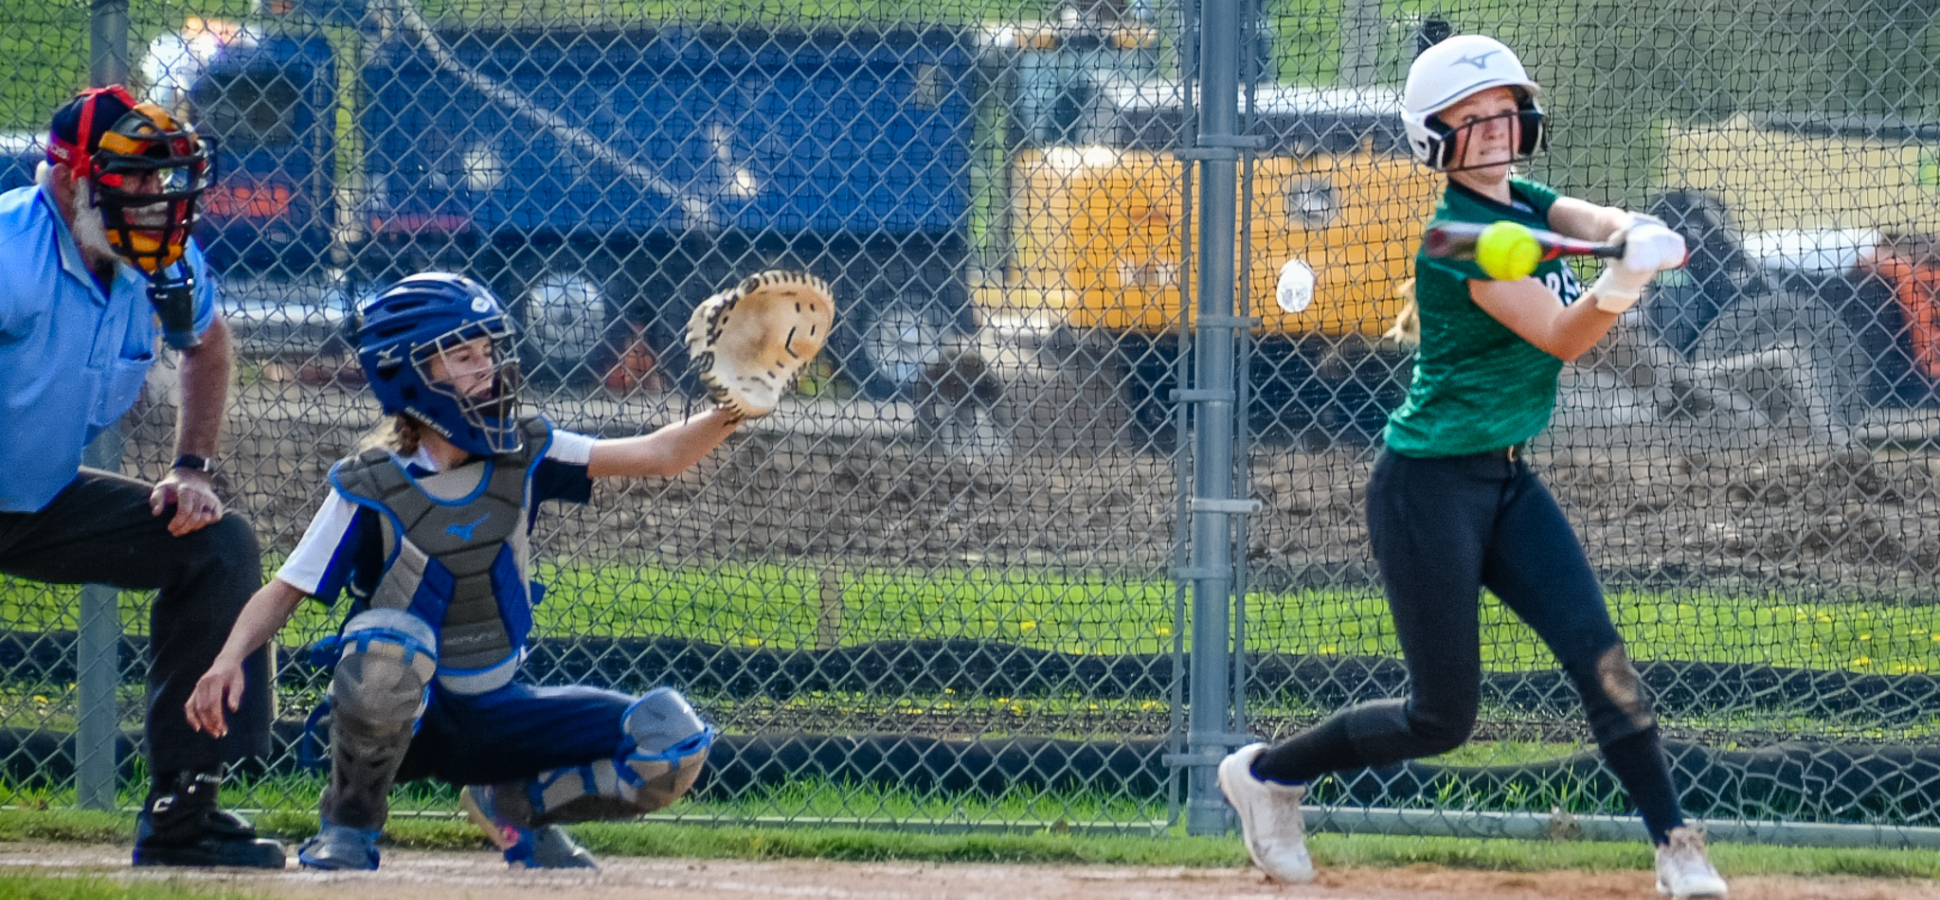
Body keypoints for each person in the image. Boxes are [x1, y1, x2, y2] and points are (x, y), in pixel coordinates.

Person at [1214, 34, 1730, 900]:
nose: (1493, 129)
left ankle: (1677, 843)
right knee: (1441, 719)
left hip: (1506, 482)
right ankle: (1267, 776)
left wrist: (1630, 230)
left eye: (1503, 111)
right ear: (1434, 137)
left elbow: (1585, 221)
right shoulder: (1456, 240)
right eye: (1469, 118)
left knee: (1603, 660)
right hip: (1427, 488)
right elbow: (1564, 337)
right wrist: (1621, 286)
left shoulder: (1525, 199)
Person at [184, 272, 736, 871]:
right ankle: (350, 821)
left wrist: (735, 406)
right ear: (408, 372)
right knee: (390, 646)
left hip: (498, 709)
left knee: (671, 741)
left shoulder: (526, 450)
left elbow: (660, 454)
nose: (487, 369)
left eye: (489, 352)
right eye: (463, 356)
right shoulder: (371, 484)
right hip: (406, 721)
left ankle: (517, 805)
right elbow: (287, 588)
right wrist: (225, 661)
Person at [0, 85, 284, 868]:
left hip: (36, 499)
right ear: (69, 181)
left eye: (168, 182)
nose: (160, 202)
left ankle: (182, 816)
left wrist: (191, 467)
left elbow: (207, 346)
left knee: (215, 546)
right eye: (138, 180)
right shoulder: (7, 256)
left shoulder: (162, 259)